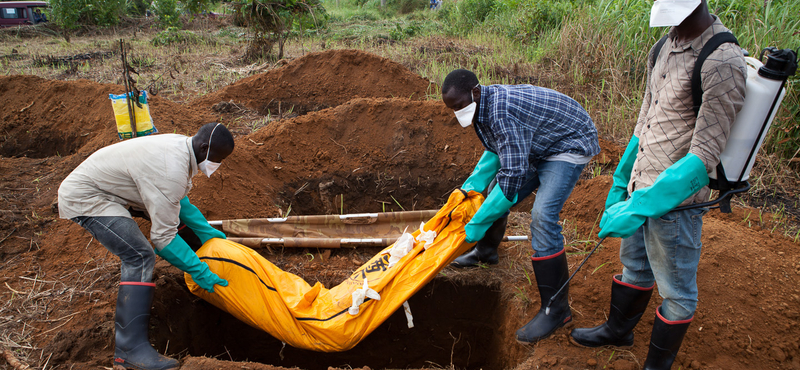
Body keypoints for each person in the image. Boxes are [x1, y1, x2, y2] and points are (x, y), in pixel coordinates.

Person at [569, 1, 746, 369]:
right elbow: (644, 119)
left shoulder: (722, 61)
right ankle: (619, 331)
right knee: (635, 266)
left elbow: (704, 155)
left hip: (674, 205)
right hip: (640, 183)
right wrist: (621, 181)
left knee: (678, 293)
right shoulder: (665, 44)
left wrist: (640, 206)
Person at [57, 123, 235, 370]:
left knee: (179, 223)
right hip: (89, 196)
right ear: (205, 147)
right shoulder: (170, 170)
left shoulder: (183, 147)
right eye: (218, 158)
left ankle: (205, 267)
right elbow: (162, 239)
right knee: (139, 256)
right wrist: (199, 271)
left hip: (115, 188)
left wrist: (207, 232)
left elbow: (177, 201)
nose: (218, 164)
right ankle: (129, 351)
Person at [441, 69, 600, 344]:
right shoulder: (482, 106)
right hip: (538, 143)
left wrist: (477, 222)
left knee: (542, 216)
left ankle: (556, 309)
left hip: (568, 143)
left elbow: (512, 175)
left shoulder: (502, 111)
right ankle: (486, 253)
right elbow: (495, 152)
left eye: (459, 106)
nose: (457, 113)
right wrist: (469, 188)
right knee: (492, 192)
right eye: (452, 109)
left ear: (475, 92)